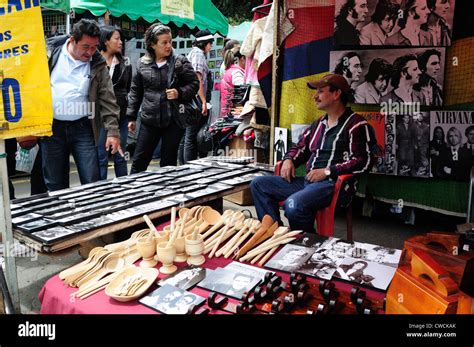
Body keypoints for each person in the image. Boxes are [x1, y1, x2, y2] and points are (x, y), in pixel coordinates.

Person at [251, 74, 375, 233]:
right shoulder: (318, 124)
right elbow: (300, 147)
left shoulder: (357, 124)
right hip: (309, 183)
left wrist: (327, 171)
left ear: (336, 94)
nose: (315, 96)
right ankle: (275, 234)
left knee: (293, 204)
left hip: (334, 186)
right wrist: (289, 159)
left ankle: (306, 243)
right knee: (259, 185)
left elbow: (362, 161)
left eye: (320, 91)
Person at [42, 19, 121, 191]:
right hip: (51, 129)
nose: (90, 52)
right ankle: (61, 215)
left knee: (91, 179)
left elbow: (108, 99)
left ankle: (92, 216)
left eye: (94, 47)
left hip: (83, 128)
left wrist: (113, 132)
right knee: (55, 182)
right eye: (86, 47)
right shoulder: (49, 54)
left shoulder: (98, 64)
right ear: (72, 40)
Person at [127, 24, 199, 173]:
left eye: (170, 42)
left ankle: (167, 194)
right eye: (164, 42)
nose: (168, 46)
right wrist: (131, 117)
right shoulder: (142, 63)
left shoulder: (180, 62)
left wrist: (179, 92)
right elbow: (136, 92)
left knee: (168, 164)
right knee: (139, 162)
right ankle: (134, 193)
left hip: (173, 119)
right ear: (152, 45)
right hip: (149, 120)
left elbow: (194, 83)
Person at [97, 26, 132, 180]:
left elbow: (128, 88)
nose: (120, 42)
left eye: (121, 39)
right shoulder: (95, 61)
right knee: (101, 156)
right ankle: (100, 191)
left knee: (120, 154)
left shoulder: (125, 63)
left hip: (121, 116)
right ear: (106, 41)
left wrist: (130, 115)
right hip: (99, 117)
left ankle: (124, 190)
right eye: (116, 39)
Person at [179, 30, 214, 164]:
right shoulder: (198, 54)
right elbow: (197, 79)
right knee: (191, 136)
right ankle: (189, 168)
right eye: (210, 43)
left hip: (190, 99)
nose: (210, 46)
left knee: (186, 136)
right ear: (204, 43)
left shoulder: (193, 53)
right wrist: (203, 101)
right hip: (196, 100)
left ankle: (182, 166)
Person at [220, 45, 245, 117]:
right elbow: (241, 94)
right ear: (242, 58)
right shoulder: (236, 72)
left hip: (227, 111)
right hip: (234, 113)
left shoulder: (229, 71)